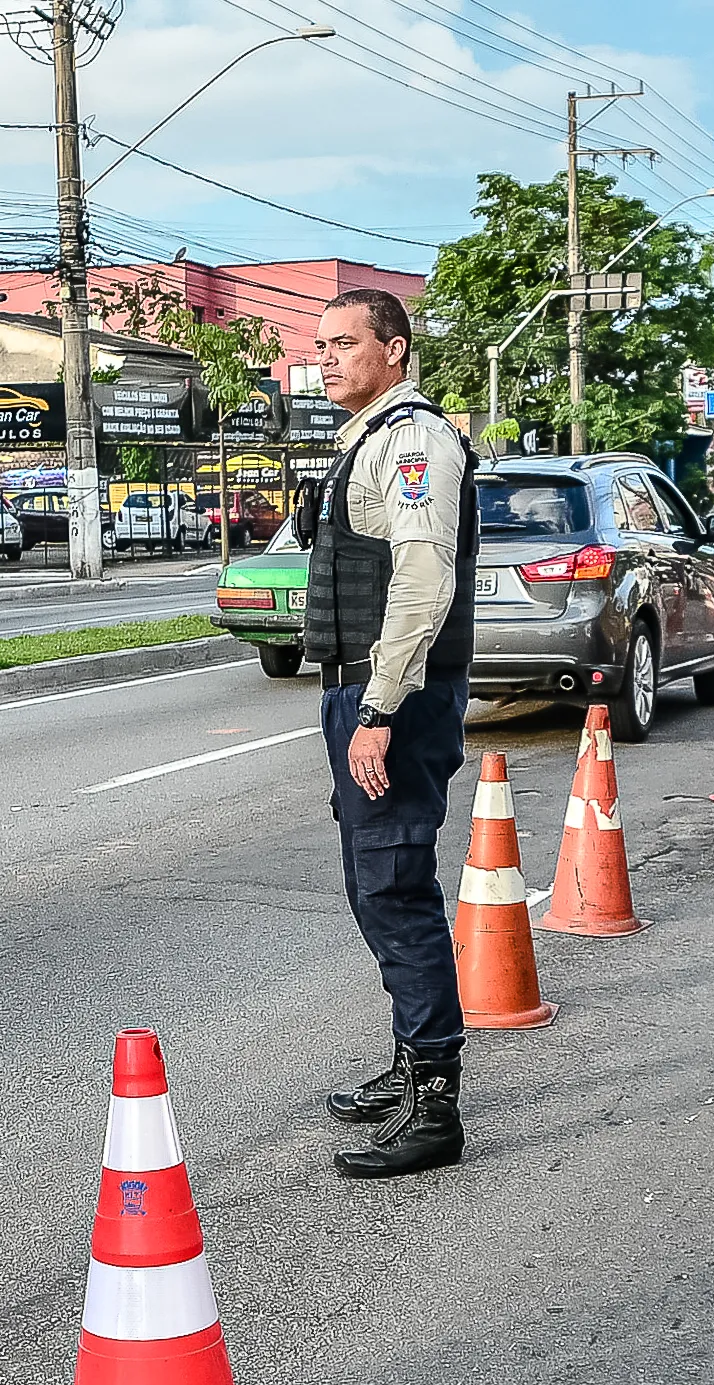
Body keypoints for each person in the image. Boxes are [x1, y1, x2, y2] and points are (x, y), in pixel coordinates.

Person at [301, 287, 476, 1178]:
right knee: (375, 887)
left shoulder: (413, 442)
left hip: (394, 700)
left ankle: (435, 1103)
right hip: (363, 692)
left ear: (395, 350)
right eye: (319, 344)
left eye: (343, 343)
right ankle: (412, 1061)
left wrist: (377, 709)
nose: (324, 358)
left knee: (396, 887)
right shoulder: (366, 437)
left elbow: (421, 582)